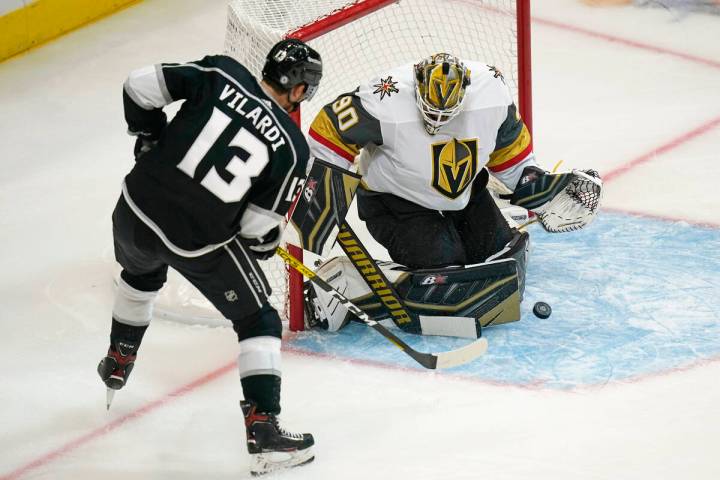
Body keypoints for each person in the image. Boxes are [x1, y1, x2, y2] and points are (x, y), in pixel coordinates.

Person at [97, 39, 322, 475]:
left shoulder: (222, 72)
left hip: (133, 209)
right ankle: (264, 431)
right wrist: (266, 243)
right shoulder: (294, 149)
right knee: (259, 320)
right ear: (299, 91)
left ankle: (118, 358)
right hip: (193, 239)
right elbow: (255, 233)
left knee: (140, 272)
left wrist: (150, 138)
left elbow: (138, 86)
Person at [305, 53, 601, 332]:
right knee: (445, 280)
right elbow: (328, 131)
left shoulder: (491, 94)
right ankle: (350, 281)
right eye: (431, 109)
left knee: (501, 261)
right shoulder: (384, 100)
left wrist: (543, 192)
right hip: (397, 204)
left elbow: (512, 157)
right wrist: (320, 194)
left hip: (465, 195)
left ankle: (490, 226)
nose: (438, 120)